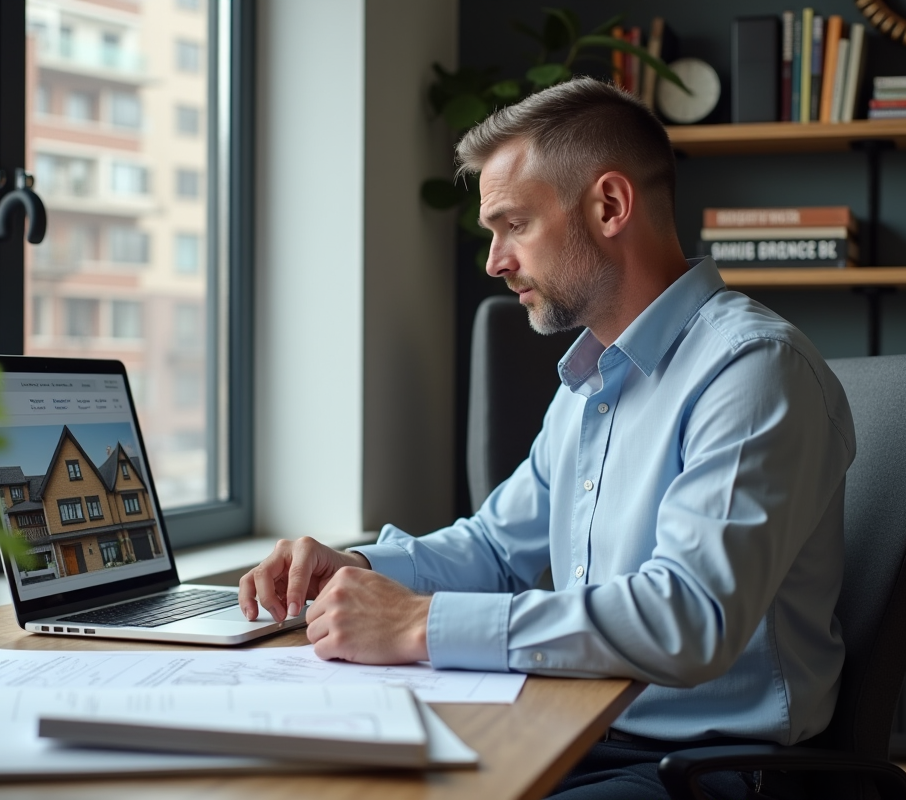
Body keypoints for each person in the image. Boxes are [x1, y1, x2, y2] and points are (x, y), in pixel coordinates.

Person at [238, 77, 855, 800]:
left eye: (513, 225)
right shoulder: (590, 382)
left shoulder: (750, 371)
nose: (495, 260)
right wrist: (358, 568)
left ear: (609, 206)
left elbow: (690, 620)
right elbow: (498, 550)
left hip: (713, 769)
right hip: (580, 727)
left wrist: (419, 624)